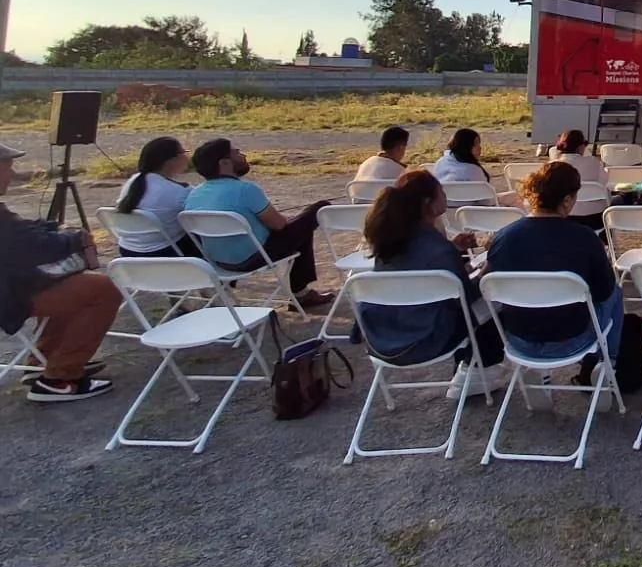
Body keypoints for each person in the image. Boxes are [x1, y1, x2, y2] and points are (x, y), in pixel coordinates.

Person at [357, 170, 505, 396]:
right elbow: (465, 298)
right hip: (428, 340)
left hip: (382, 339)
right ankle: (476, 370)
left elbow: (416, 273)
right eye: (441, 192)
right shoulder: (437, 248)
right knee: (495, 298)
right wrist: (487, 272)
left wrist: (454, 252)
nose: (445, 196)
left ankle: (473, 370)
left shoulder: (390, 241)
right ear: (428, 202)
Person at [488, 162, 622, 395]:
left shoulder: (504, 237)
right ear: (567, 200)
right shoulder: (585, 238)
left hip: (519, 338)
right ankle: (606, 362)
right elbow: (603, 292)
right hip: (573, 339)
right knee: (615, 293)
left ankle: (538, 371)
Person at [0, 143, 120, 402]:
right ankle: (59, 378)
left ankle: (44, 360)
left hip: (12, 287)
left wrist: (55, 228)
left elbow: (22, 231)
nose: (11, 173)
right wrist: (73, 238)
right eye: (7, 167)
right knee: (104, 289)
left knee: (71, 284)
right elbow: (36, 248)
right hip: (9, 295)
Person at [185, 138, 334, 307]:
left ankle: (302, 293)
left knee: (298, 227)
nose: (243, 155)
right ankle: (300, 292)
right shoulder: (247, 190)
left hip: (218, 262)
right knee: (317, 211)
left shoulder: (194, 195)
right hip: (254, 258)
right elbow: (279, 225)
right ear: (224, 163)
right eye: (237, 153)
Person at [113, 137, 200, 257]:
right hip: (163, 251)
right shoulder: (178, 192)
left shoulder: (134, 180)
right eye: (184, 152)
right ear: (171, 160)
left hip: (128, 250)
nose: (187, 157)